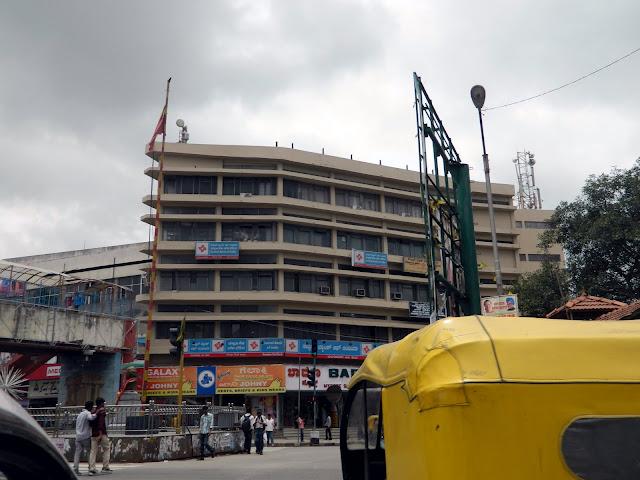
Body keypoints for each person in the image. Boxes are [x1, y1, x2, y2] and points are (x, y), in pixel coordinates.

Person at [88, 397, 110, 475]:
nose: (104, 404)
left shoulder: (94, 411)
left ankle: (92, 468)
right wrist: (100, 433)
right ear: (101, 403)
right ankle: (105, 467)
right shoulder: (102, 411)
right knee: (106, 448)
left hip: (93, 433)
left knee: (93, 451)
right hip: (101, 433)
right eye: (103, 403)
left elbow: (90, 423)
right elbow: (101, 422)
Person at [73, 401, 96, 475]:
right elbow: (91, 418)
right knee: (89, 452)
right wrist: (97, 414)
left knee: (77, 453)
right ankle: (90, 469)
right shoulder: (87, 413)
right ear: (90, 407)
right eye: (92, 407)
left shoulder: (80, 414)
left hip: (78, 436)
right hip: (85, 436)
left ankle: (75, 469)